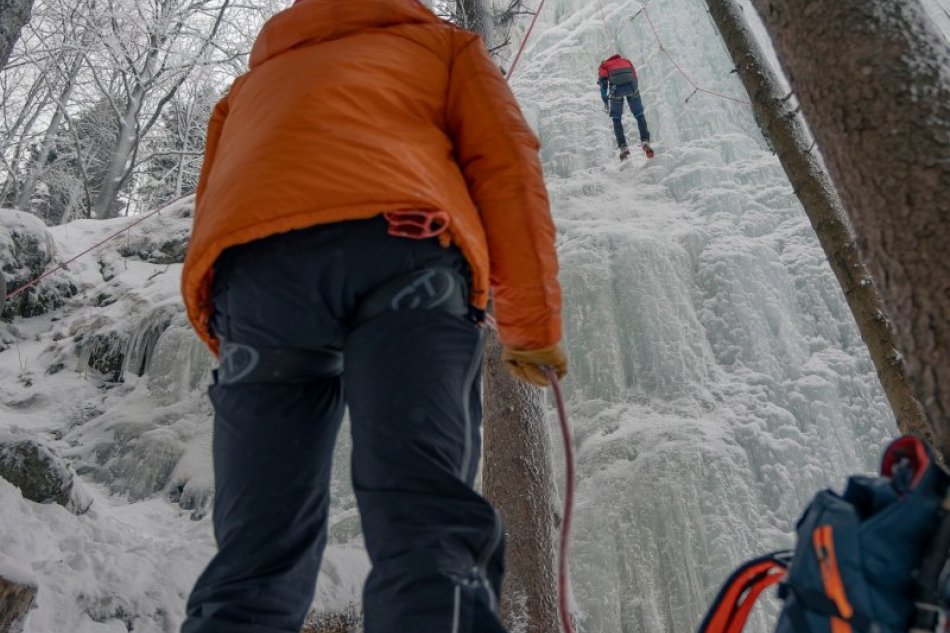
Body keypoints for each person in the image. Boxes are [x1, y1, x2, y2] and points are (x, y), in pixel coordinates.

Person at [178, 0, 568, 632]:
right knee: (424, 522)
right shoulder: (447, 49)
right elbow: (507, 171)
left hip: (257, 281)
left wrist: (229, 331)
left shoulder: (249, 87)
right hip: (403, 255)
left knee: (254, 556)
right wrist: (532, 329)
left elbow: (212, 209)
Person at [598, 53, 654, 160]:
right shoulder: (626, 61)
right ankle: (645, 141)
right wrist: (635, 91)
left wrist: (605, 101)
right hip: (632, 87)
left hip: (616, 90)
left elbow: (603, 83)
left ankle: (623, 147)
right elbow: (635, 76)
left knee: (616, 119)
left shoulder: (604, 65)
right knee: (639, 115)